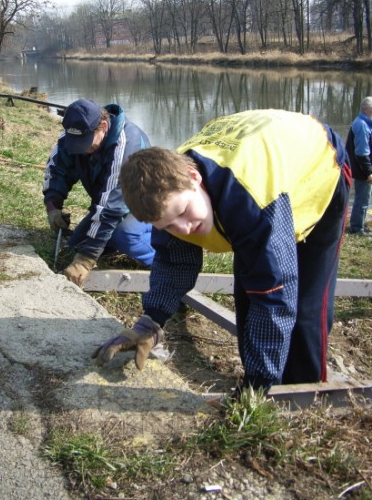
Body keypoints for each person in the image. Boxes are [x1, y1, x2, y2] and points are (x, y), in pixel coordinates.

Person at [92, 109, 352, 392]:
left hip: (319, 163)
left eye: (183, 213)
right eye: (169, 225)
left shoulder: (250, 202)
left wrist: (258, 389)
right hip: (261, 164)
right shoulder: (166, 195)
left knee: (304, 306)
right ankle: (262, 382)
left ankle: (303, 394)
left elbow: (273, 297)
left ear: (194, 177)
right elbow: (173, 263)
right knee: (248, 296)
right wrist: (151, 321)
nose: (184, 228)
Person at [43, 98, 155, 286]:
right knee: (75, 246)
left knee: (123, 235)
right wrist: (53, 206)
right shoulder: (73, 134)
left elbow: (112, 206)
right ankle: (110, 242)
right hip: (111, 203)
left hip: (147, 206)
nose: (82, 150)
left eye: (86, 143)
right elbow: (56, 170)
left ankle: (169, 260)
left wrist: (86, 260)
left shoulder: (127, 144)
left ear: (103, 126)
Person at [345, 97, 372, 236]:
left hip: (361, 167)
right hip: (362, 169)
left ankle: (359, 224)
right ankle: (357, 228)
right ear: (367, 109)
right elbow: (362, 153)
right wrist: (369, 172)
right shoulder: (362, 125)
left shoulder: (365, 122)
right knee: (362, 198)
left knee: (364, 197)